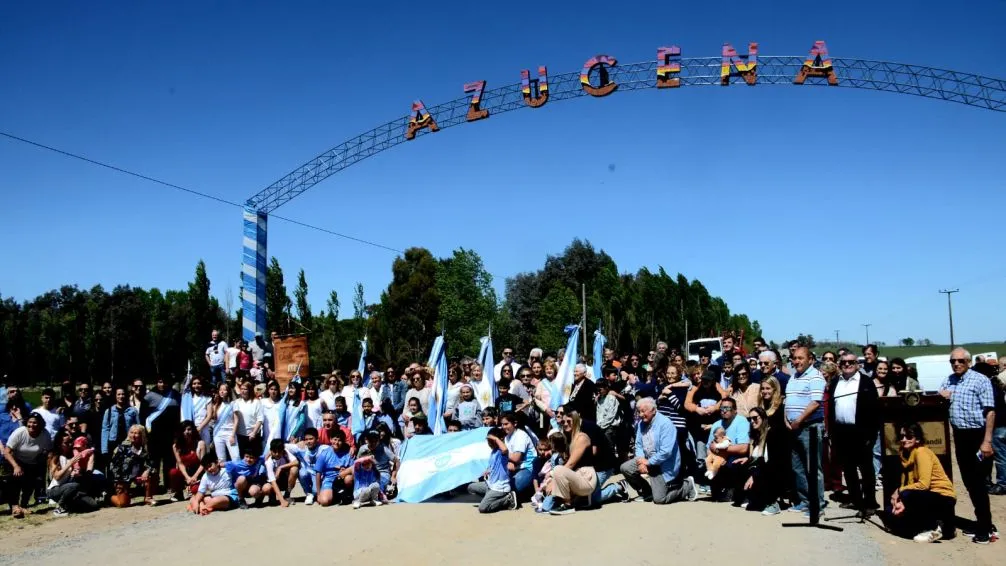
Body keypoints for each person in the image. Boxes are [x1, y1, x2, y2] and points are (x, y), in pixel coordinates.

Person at [939, 348, 997, 543]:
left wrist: (987, 441)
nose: (956, 364)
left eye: (960, 361)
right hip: (960, 436)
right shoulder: (949, 380)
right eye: (953, 361)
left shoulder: (981, 380)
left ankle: (986, 527)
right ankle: (982, 521)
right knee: (969, 483)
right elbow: (940, 404)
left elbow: (990, 412)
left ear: (969, 362)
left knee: (979, 483)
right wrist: (941, 398)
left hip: (978, 435)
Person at [828, 352, 880, 515]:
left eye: (851, 362)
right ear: (839, 364)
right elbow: (831, 408)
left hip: (861, 432)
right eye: (844, 362)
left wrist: (870, 436)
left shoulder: (866, 382)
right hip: (841, 432)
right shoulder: (836, 381)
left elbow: (874, 411)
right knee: (848, 469)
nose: (847, 365)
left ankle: (870, 502)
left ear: (857, 364)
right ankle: (855, 500)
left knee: (866, 469)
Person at [620, 397, 697, 505]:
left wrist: (649, 462)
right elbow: (638, 445)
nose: (641, 415)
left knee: (660, 499)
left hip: (663, 463)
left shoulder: (665, 424)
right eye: (639, 411)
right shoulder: (641, 424)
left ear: (654, 410)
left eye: (643, 411)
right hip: (647, 460)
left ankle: (686, 486)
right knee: (625, 468)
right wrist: (641, 460)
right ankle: (646, 492)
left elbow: (666, 452)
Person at [888, 422, 957, 543]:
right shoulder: (905, 454)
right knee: (891, 511)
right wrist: (898, 500)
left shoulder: (921, 452)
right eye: (902, 436)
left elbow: (923, 484)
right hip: (926, 496)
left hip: (943, 497)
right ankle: (942, 527)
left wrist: (900, 492)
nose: (904, 440)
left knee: (908, 495)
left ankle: (934, 527)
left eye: (909, 437)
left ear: (918, 439)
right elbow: (907, 482)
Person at [785, 345, 827, 515]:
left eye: (800, 358)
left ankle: (818, 505)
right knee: (798, 467)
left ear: (810, 360)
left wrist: (798, 420)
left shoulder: (815, 377)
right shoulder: (793, 377)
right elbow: (787, 400)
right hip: (794, 428)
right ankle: (804, 501)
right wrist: (786, 420)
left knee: (813, 467)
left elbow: (815, 402)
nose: (797, 361)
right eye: (794, 358)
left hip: (809, 427)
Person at [3, 413, 52, 517]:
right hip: (16, 459)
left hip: (33, 461)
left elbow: (48, 451)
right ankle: (15, 506)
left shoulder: (45, 434)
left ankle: (24, 505)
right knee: (15, 481)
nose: (32, 425)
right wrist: (16, 466)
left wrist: (42, 460)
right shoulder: (20, 432)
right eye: (30, 422)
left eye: (35, 422)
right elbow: (7, 451)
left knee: (30, 484)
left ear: (40, 424)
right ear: (26, 423)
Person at [740, 407, 786, 515]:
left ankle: (773, 504)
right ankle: (755, 499)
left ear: (763, 418)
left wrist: (754, 475)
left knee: (764, 473)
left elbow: (774, 461)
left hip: (775, 472)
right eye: (749, 419)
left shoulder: (772, 434)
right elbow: (755, 457)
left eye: (755, 418)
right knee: (739, 466)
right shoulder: (757, 435)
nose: (752, 421)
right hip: (761, 468)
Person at [705, 397, 750, 503]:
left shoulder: (742, 422)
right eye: (722, 408)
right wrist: (714, 458)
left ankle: (734, 490)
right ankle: (720, 490)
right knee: (707, 464)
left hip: (737, 456)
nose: (724, 410)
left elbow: (743, 448)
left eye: (727, 408)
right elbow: (709, 447)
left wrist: (721, 452)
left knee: (733, 463)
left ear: (735, 410)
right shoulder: (716, 425)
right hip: (718, 456)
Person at [47, 431, 100, 515]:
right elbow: (57, 477)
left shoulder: (72, 455)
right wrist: (70, 463)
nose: (69, 443)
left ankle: (69, 505)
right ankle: (60, 508)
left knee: (93, 505)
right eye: (66, 442)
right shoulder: (55, 456)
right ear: (59, 442)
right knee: (74, 486)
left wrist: (78, 472)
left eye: (70, 441)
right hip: (55, 489)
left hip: (70, 489)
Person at [144, 375, 181, 491]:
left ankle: (169, 485)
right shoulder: (148, 396)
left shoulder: (175, 395)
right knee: (154, 462)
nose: (162, 385)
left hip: (170, 434)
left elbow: (179, 414)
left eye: (165, 382)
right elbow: (143, 417)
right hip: (154, 435)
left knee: (169, 461)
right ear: (156, 382)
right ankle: (153, 486)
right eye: (160, 382)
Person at [469, 427, 518, 513]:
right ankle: (490, 498)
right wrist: (488, 470)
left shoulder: (501, 452)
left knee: (482, 508)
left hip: (499, 488)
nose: (489, 444)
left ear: (500, 439)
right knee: (471, 487)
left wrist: (495, 438)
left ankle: (508, 499)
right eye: (488, 441)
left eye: (492, 441)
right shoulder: (494, 451)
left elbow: (505, 449)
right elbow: (492, 465)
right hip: (490, 485)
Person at [108, 424, 156, 507]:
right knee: (122, 504)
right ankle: (108, 497)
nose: (133, 435)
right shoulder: (121, 448)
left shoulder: (145, 448)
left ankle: (148, 497)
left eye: (136, 433)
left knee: (153, 473)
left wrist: (146, 471)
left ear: (142, 435)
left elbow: (151, 463)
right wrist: (121, 482)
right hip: (123, 479)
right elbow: (113, 467)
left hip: (138, 476)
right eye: (131, 432)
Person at [314, 428, 354, 506]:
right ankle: (336, 496)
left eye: (339, 440)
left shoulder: (347, 453)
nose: (337, 442)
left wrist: (345, 471)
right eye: (335, 439)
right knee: (324, 502)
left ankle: (348, 494)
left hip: (342, 480)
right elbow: (318, 473)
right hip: (329, 480)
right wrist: (318, 494)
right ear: (330, 439)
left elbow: (354, 468)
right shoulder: (324, 454)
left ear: (343, 442)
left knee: (348, 478)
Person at [168, 420, 206, 502]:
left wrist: (195, 476)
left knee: (195, 490)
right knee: (173, 472)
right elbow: (180, 464)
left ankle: (194, 489)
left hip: (197, 473)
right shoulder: (176, 446)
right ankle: (179, 493)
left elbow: (203, 464)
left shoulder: (200, 444)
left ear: (193, 430)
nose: (186, 432)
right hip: (185, 473)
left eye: (189, 429)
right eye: (184, 430)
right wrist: (187, 478)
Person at [263, 438, 299, 507]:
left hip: (283, 479)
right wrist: (282, 501)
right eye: (274, 452)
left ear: (283, 450)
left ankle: (287, 495)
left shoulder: (285, 453)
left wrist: (281, 467)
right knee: (266, 488)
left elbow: (296, 462)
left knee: (294, 469)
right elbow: (273, 481)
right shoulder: (269, 461)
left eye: (279, 451)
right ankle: (272, 496)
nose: (277, 454)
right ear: (271, 451)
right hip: (272, 482)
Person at [181, 375, 214, 447]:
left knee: (205, 451)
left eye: (199, 383)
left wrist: (200, 428)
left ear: (202, 384)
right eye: (194, 383)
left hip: (203, 428)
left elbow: (209, 415)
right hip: (191, 429)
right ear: (191, 385)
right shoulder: (188, 398)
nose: (196, 385)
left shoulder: (207, 398)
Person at [235, 380, 263, 457]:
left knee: (254, 457)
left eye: (245, 389)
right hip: (240, 435)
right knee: (243, 457)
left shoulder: (256, 402)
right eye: (242, 389)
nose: (243, 391)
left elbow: (260, 419)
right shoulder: (237, 402)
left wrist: (254, 433)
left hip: (252, 436)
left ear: (250, 390)